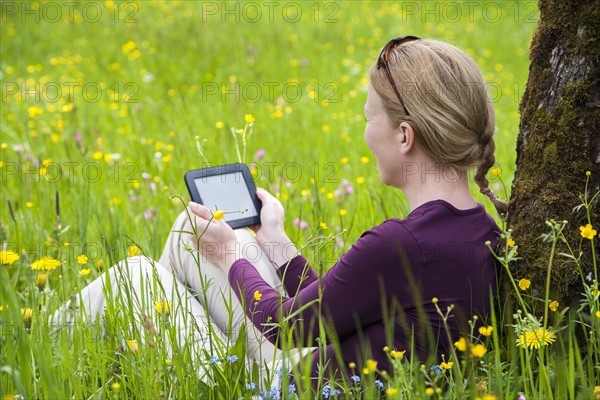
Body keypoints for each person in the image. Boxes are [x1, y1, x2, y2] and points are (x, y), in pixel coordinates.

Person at [55, 36, 506, 389]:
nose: (366, 132)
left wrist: (231, 254)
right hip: (321, 362)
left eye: (370, 117)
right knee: (194, 231)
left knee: (137, 275)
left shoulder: (401, 244)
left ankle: (35, 354)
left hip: (283, 385)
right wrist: (275, 241)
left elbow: (284, 325)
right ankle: (162, 343)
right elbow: (336, 313)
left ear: (404, 136)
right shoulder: (483, 233)